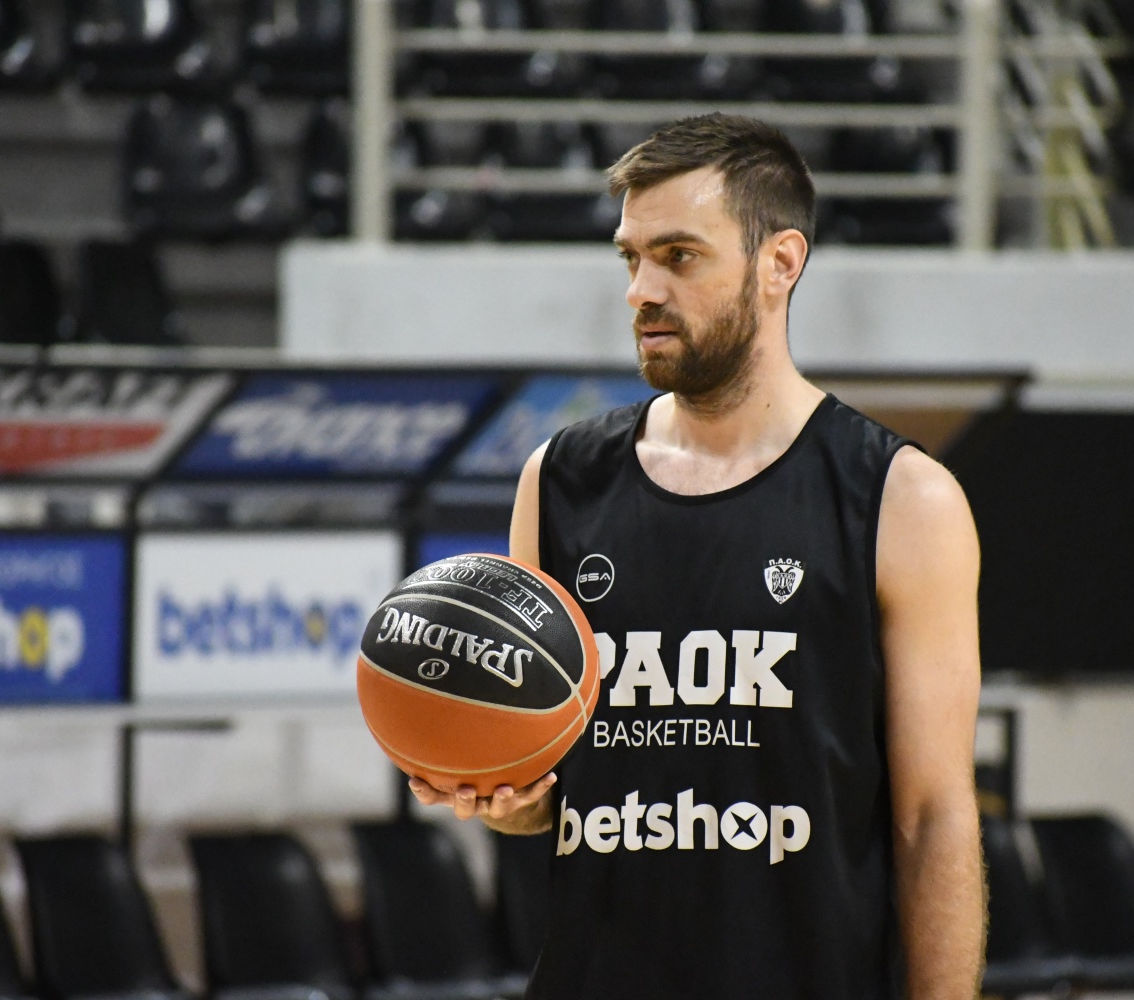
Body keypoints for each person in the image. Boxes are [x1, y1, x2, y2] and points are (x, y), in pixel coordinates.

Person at [410, 113, 983, 1000]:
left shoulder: (903, 500)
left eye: (679, 256)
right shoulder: (558, 481)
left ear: (780, 263)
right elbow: (550, 799)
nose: (642, 290)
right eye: (631, 258)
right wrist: (504, 795)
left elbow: (933, 820)